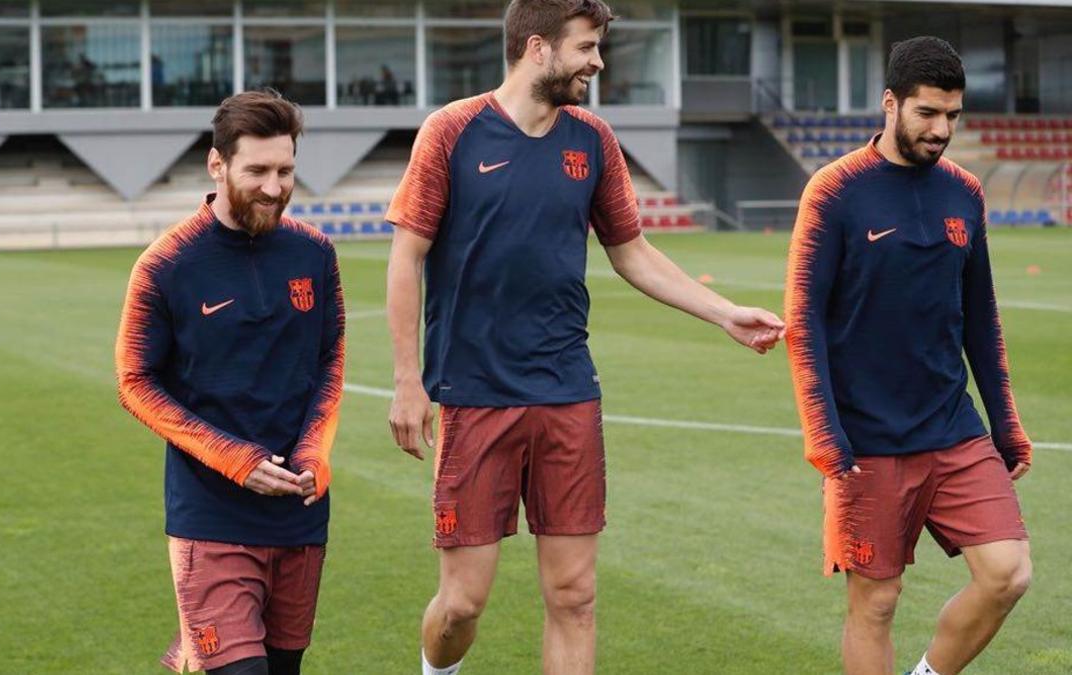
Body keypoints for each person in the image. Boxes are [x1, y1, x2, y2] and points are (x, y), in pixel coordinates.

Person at [384, 1, 784, 673]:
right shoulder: (451, 131)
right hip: (474, 393)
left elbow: (633, 252)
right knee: (462, 603)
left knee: (575, 594)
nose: (598, 62)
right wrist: (406, 381)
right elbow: (407, 256)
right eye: (588, 47)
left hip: (567, 390)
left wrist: (723, 312)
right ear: (537, 48)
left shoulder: (593, 139)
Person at [784, 36, 1032, 675]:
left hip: (952, 426)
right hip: (866, 438)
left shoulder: (965, 193)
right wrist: (826, 437)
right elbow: (803, 320)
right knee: (876, 602)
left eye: (952, 115)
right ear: (890, 104)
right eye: (927, 113)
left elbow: (980, 317)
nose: (941, 129)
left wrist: (1005, 426)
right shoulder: (834, 190)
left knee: (1007, 574)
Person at [115, 90, 344, 675]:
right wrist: (234, 458)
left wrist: (315, 452)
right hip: (210, 513)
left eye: (286, 170)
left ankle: (188, 655)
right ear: (216, 166)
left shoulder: (315, 253)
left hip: (300, 511)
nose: (274, 187)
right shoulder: (166, 264)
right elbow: (135, 382)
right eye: (257, 171)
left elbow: (329, 361)